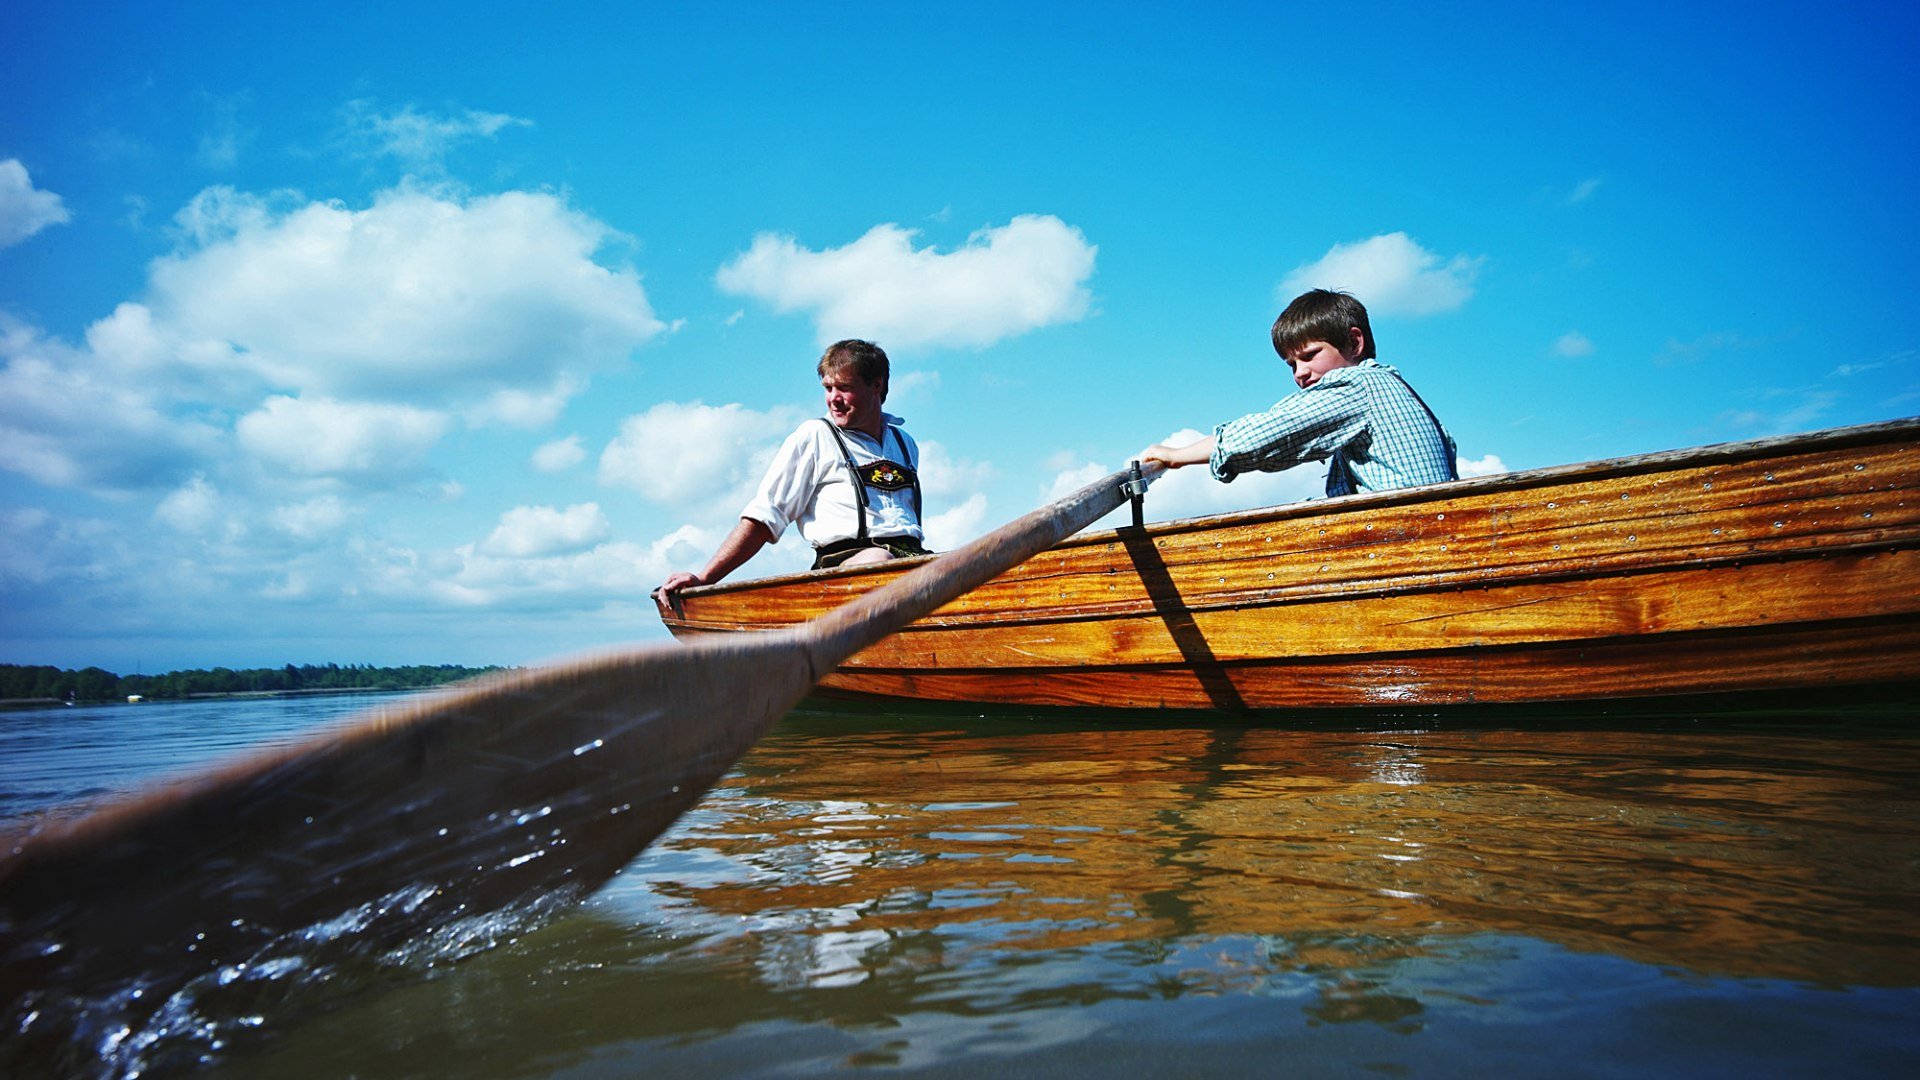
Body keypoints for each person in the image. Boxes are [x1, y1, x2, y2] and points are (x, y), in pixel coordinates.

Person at [657, 339, 928, 597]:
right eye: (827, 388)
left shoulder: (904, 443)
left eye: (843, 387)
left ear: (877, 386)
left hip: (908, 559)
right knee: (879, 561)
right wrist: (705, 578)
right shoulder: (814, 436)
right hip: (846, 566)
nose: (833, 398)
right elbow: (766, 516)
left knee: (962, 566)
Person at [1141, 289, 1457, 496]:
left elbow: (1260, 438)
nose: (1300, 373)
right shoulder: (1396, 389)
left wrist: (1176, 456)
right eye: (1291, 364)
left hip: (1412, 543)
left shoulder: (1361, 385)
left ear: (1354, 343)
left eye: (1309, 356)